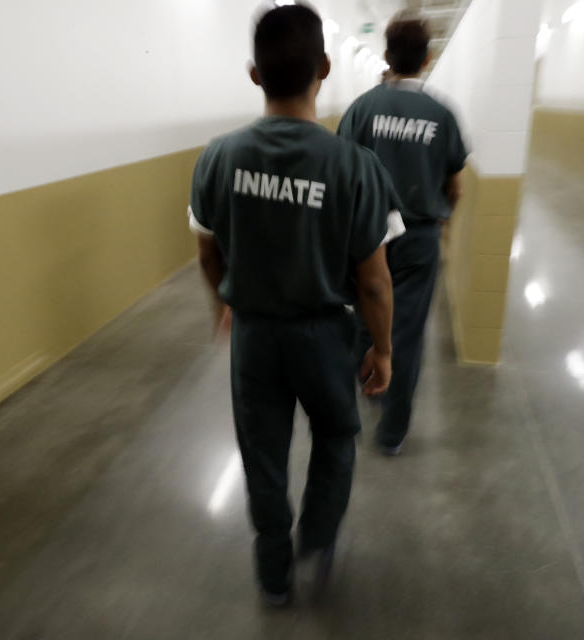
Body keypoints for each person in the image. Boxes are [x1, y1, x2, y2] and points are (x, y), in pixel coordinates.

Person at [188, 4, 405, 605]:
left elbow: (208, 257)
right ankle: (317, 536)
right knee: (337, 436)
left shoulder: (217, 158)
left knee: (261, 453)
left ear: (255, 74)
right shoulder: (355, 168)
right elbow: (373, 282)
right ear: (326, 68)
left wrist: (222, 307)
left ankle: (274, 573)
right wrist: (382, 349)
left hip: (254, 337)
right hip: (323, 336)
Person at [338, 13, 468, 456]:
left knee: (361, 321)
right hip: (418, 240)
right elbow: (455, 185)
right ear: (428, 58)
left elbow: (342, 175)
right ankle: (392, 432)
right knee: (406, 334)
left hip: (366, 237)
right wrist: (441, 220)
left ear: (388, 56)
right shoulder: (442, 113)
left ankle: (361, 401)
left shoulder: (362, 109)